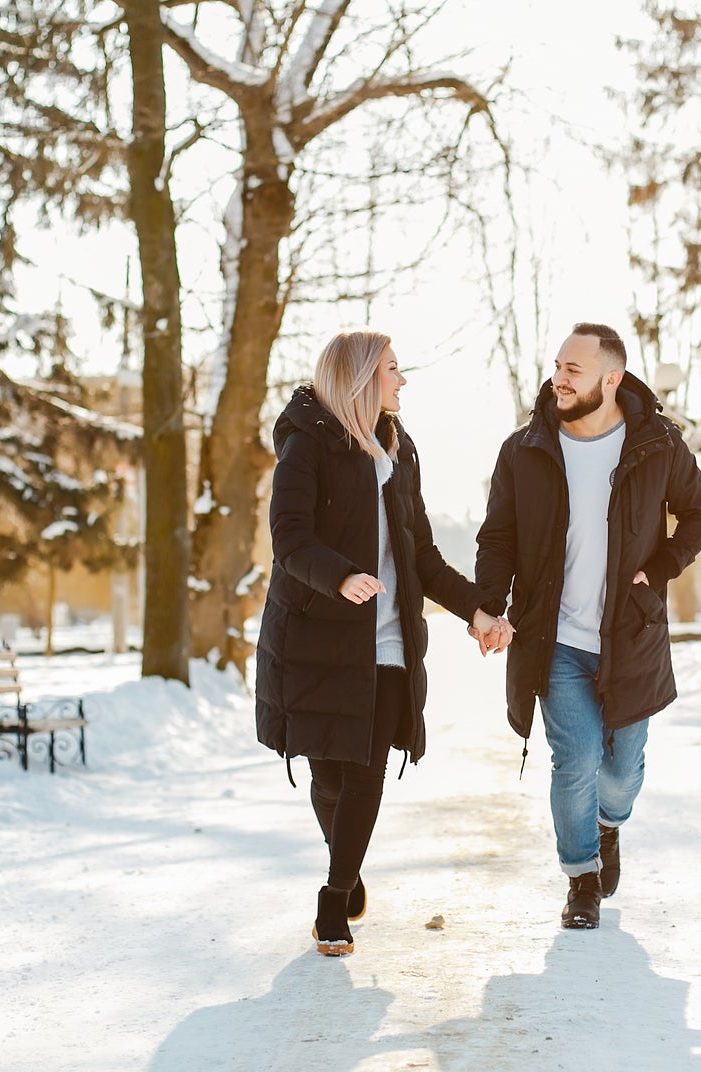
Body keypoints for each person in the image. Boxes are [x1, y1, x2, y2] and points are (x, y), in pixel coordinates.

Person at [255, 330, 510, 957]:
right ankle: (349, 860)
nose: (402, 381)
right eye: (393, 369)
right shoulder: (307, 443)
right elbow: (288, 537)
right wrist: (340, 575)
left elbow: (420, 553)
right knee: (329, 778)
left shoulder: (402, 450)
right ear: (362, 376)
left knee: (365, 772)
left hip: (390, 640)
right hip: (317, 639)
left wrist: (476, 609)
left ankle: (334, 898)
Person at [474, 323, 701, 929]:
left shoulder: (657, 443)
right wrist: (489, 605)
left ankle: (608, 827)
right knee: (575, 759)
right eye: (557, 365)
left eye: (574, 370)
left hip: (629, 637)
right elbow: (498, 537)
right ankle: (580, 877)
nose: (559, 377)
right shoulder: (525, 449)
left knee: (620, 774)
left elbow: (700, 511)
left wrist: (660, 566)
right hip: (552, 638)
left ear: (611, 379)